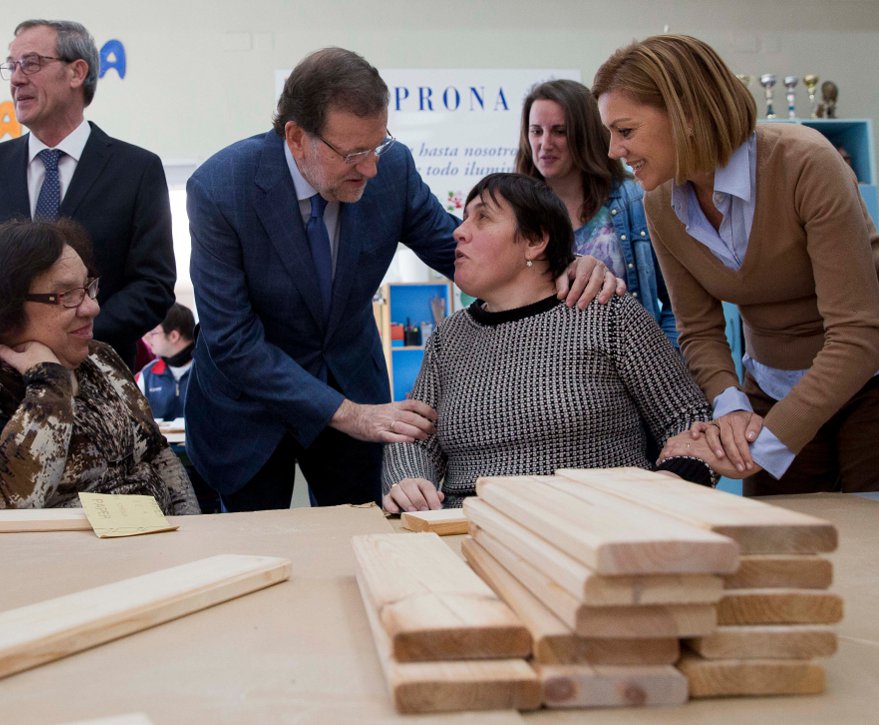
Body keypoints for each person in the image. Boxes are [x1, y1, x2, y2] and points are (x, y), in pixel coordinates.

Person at [186, 47, 622, 512]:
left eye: (378, 145)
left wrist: (561, 262)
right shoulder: (221, 188)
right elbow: (232, 340)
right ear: (296, 138)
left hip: (354, 382)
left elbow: (458, 250)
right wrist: (348, 413)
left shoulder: (391, 171)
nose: (371, 168)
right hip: (248, 411)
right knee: (258, 551)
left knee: (361, 538)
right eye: (354, 154)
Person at [593, 34, 879, 495]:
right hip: (771, 384)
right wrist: (731, 408)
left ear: (687, 115)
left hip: (877, 383)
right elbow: (700, 330)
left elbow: (859, 335)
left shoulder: (806, 163)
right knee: (776, 541)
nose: (615, 150)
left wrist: (761, 446)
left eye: (626, 131)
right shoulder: (658, 203)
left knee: (874, 536)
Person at [382, 173, 719, 512]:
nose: (459, 231)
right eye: (465, 217)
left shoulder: (606, 312)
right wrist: (410, 480)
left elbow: (686, 417)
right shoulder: (448, 337)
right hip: (471, 531)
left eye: (482, 217)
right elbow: (415, 436)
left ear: (535, 240)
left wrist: (673, 483)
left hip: (600, 525)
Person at [0, 220, 199, 515]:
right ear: (4, 309)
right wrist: (49, 381)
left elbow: (158, 457)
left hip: (145, 554)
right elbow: (14, 500)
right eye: (67, 295)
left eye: (88, 288)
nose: (92, 307)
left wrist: (190, 543)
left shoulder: (99, 358)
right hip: (35, 564)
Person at [0, 19, 175, 369]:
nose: (16, 78)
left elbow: (153, 286)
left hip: (95, 378)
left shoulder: (137, 169)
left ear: (76, 73)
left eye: (31, 63)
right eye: (11, 66)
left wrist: (70, 334)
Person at [514, 79, 677, 346]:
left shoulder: (633, 199)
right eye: (536, 131)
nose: (545, 143)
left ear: (586, 134)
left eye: (559, 131)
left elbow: (678, 303)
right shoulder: (515, 212)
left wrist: (662, 363)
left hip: (630, 375)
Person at [138, 303, 196, 422]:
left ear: (174, 336)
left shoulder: (207, 372)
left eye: (153, 332)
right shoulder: (146, 376)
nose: (147, 337)